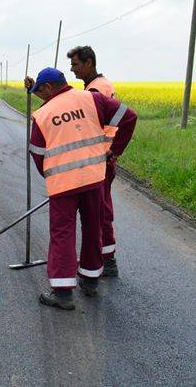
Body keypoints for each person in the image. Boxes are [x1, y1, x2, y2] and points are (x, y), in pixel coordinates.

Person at [28, 68, 137, 310]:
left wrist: (51, 175)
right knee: (92, 227)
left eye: (39, 92)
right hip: (94, 177)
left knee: (62, 234)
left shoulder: (44, 114)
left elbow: (37, 153)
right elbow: (129, 117)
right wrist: (114, 151)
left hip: (63, 185)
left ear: (47, 87)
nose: (39, 98)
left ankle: (63, 294)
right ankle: (90, 281)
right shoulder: (92, 99)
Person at [66, 45, 121, 276]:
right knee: (101, 209)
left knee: (100, 212)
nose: (72, 69)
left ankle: (107, 262)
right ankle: (106, 259)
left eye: (76, 64)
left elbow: (117, 117)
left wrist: (108, 149)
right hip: (103, 155)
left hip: (101, 158)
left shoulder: (97, 90)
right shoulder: (98, 85)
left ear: (89, 63)